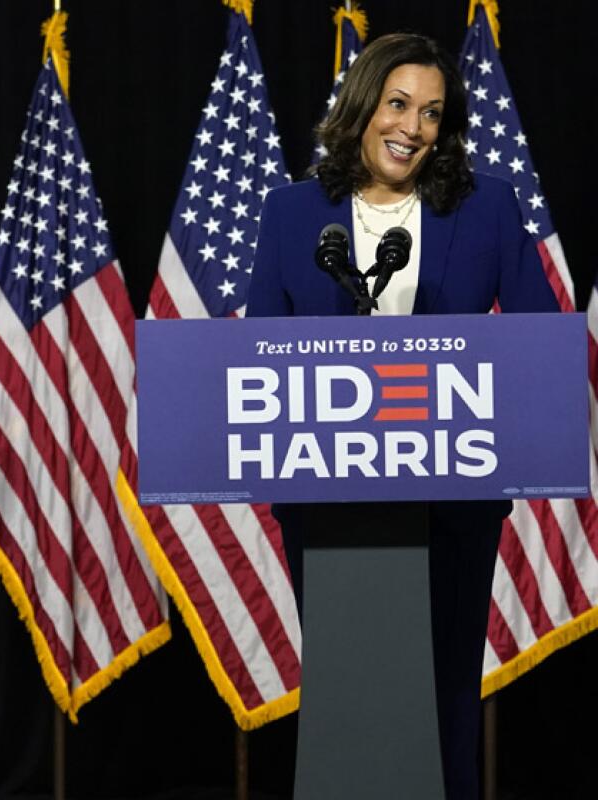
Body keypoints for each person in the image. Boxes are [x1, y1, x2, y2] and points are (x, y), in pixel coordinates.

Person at [245, 33, 557, 800]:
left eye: (430, 112)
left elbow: (538, 338)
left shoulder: (485, 208)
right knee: (349, 684)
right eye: (397, 104)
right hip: (326, 498)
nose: (411, 127)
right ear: (361, 108)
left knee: (447, 683)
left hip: (455, 497)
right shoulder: (290, 215)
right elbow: (255, 357)